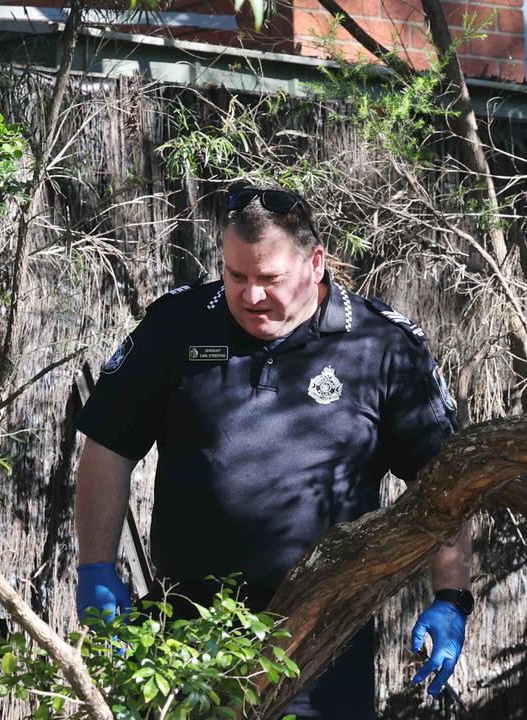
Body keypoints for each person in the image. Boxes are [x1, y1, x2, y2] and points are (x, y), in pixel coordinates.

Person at [72, 182, 473, 719]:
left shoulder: (381, 345)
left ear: (316, 263)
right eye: (235, 275)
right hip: (187, 628)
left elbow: (445, 481)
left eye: (269, 278)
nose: (251, 295)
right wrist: (95, 566)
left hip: (322, 630)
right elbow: (109, 445)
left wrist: (451, 597)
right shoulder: (176, 325)